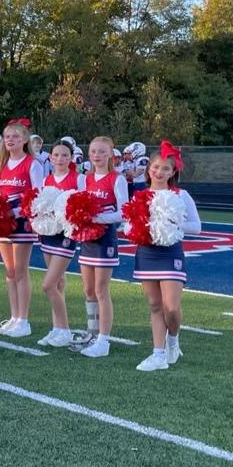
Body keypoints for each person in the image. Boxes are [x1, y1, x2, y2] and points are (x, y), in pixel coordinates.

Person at [134, 141, 202, 371]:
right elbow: (129, 226)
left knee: (171, 307)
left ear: (173, 172)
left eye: (165, 168)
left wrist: (172, 224)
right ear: (148, 169)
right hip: (146, 253)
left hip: (171, 253)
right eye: (155, 167)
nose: (159, 172)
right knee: (155, 305)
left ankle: (173, 338)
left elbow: (197, 227)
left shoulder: (181, 195)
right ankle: (158, 354)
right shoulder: (140, 195)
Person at [75, 136, 128, 358]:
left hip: (105, 239)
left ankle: (104, 340)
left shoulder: (117, 179)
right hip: (86, 239)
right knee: (88, 290)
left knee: (101, 290)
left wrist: (96, 218)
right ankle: (92, 333)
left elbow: (124, 212)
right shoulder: (83, 179)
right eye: (94, 151)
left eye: (102, 152)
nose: (97, 155)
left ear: (111, 155)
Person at [0, 119, 45, 338]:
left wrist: (15, 212)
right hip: (3, 224)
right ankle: (14, 317)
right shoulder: (0, 165)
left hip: (22, 222)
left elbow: (38, 195)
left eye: (15, 136)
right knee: (10, 272)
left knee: (21, 272)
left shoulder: (33, 163)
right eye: (7, 137)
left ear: (24, 140)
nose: (11, 140)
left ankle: (24, 320)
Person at [36, 141, 78, 348]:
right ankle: (56, 329)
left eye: (65, 155)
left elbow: (81, 206)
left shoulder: (78, 179)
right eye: (56, 155)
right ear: (50, 158)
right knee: (59, 283)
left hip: (66, 235)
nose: (60, 159)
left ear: (71, 158)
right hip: (48, 234)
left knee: (48, 284)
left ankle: (65, 330)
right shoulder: (47, 179)